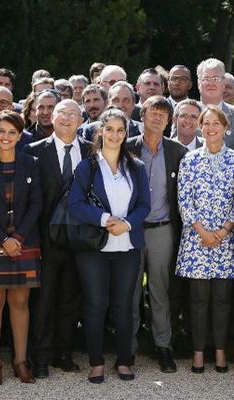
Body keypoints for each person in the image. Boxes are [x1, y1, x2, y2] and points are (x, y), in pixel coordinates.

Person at [68, 108, 150, 383]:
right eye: (110, 129)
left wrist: (126, 224)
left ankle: (124, 360)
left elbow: (144, 206)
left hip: (128, 246)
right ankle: (96, 362)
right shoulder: (87, 166)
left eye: (120, 130)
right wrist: (104, 219)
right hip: (95, 248)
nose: (115, 135)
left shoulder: (136, 167)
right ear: (100, 131)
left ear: (126, 134)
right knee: (95, 305)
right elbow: (75, 205)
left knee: (124, 306)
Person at [24, 99, 92, 379]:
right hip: (45, 239)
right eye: (61, 113)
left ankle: (64, 353)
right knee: (43, 300)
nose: (66, 118)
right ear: (51, 116)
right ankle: (40, 356)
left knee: (70, 298)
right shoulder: (34, 152)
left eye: (72, 114)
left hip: (80, 239)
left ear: (81, 120)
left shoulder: (91, 151)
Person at [0, 110, 41, 386]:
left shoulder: (32, 163)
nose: (6, 136)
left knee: (20, 302)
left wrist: (19, 237)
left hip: (25, 244)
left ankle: (20, 360)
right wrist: (4, 239)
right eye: (1, 130)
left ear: (20, 135)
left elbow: (37, 204)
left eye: (12, 132)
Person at [175, 105, 234, 374]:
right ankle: (198, 352)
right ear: (200, 128)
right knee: (199, 301)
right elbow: (184, 199)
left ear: (226, 128)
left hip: (226, 241)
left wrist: (224, 230)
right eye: (206, 123)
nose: (211, 128)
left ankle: (221, 352)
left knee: (223, 300)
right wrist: (203, 232)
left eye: (217, 123)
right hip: (196, 241)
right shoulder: (189, 160)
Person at [127, 96, 187, 372]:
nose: (158, 117)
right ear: (143, 115)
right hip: (130, 231)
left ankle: (163, 346)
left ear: (169, 120)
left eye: (164, 114)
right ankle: (127, 349)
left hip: (163, 230)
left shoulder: (177, 151)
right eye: (153, 112)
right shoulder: (127, 147)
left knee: (160, 291)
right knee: (129, 290)